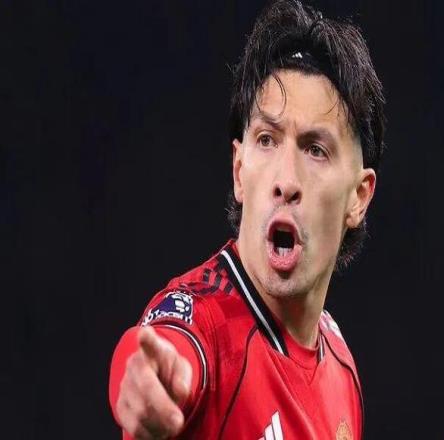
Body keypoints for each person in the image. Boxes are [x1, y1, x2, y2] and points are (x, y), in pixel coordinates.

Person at [108, 0, 385, 438]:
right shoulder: (207, 322)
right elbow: (164, 345)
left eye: (315, 150)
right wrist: (143, 375)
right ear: (240, 170)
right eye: (267, 140)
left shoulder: (341, 367)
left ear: (359, 197)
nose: (285, 181)